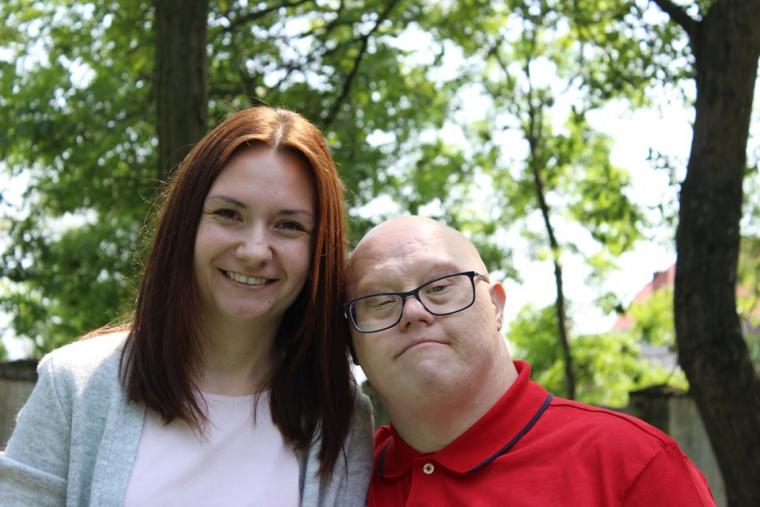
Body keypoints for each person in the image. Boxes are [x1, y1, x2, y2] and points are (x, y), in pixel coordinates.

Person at [0, 107, 373, 505]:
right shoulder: (74, 386)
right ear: (187, 224)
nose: (254, 251)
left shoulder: (340, 417)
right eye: (228, 214)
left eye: (289, 225)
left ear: (319, 249)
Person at [344, 215, 715, 506]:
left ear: (496, 306)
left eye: (440, 286)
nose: (413, 311)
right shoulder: (337, 481)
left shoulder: (632, 465)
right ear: (353, 344)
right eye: (379, 301)